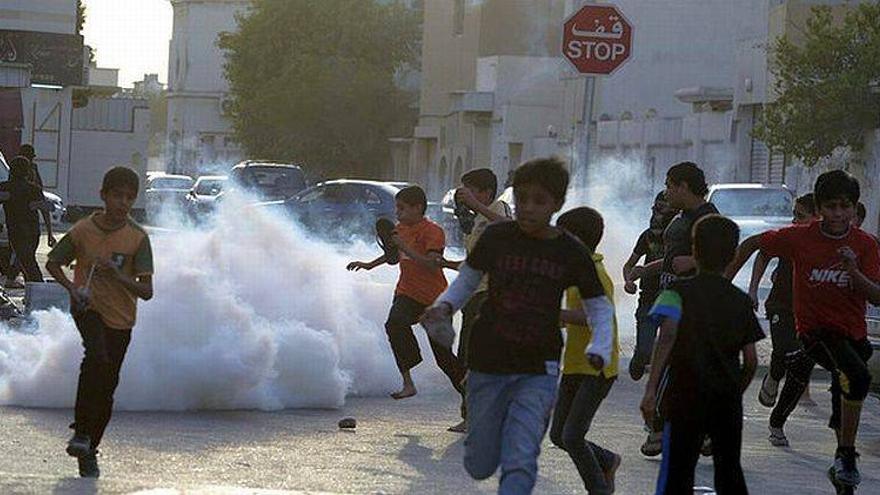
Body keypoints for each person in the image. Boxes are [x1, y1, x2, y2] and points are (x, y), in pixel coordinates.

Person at [422, 157, 615, 494]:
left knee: (521, 454)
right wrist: (444, 306)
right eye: (522, 198)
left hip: (539, 365)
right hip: (489, 357)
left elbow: (599, 308)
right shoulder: (497, 237)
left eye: (539, 201)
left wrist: (599, 345)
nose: (528, 208)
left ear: (557, 203)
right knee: (480, 462)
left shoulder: (570, 251)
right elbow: (467, 281)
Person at [726, 170, 878, 491]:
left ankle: (841, 462)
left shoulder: (865, 245)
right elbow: (753, 244)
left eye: (844, 207)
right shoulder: (800, 237)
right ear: (820, 207)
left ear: (854, 209)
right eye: (831, 207)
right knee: (857, 376)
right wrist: (722, 284)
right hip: (814, 331)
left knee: (847, 387)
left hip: (852, 334)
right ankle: (847, 454)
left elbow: (875, 295)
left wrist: (852, 270)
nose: (837, 214)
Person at [46, 166, 154, 479]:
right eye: (117, 195)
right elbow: (53, 263)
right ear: (103, 196)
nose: (122, 203)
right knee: (95, 355)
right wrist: (72, 288)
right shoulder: (82, 230)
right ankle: (81, 431)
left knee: (107, 386)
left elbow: (147, 292)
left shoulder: (138, 238)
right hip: (87, 307)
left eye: (129, 198)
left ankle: (89, 447)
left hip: (121, 320)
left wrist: (120, 276)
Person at [641, 215, 762, 494]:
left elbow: (667, 334)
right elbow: (752, 360)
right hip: (725, 401)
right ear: (733, 255)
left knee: (677, 472)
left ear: (694, 250)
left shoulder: (676, 291)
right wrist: (735, 389)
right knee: (729, 470)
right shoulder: (740, 301)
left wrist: (651, 389)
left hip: (684, 395)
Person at [347, 186, 466, 408]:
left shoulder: (433, 231)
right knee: (394, 324)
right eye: (396, 208)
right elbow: (392, 256)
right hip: (407, 293)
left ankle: (471, 401)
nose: (398, 213)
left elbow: (431, 264)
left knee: (444, 359)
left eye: (402, 208)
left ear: (417, 208)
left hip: (435, 300)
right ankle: (408, 383)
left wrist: (403, 246)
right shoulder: (400, 230)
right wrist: (368, 265)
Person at [629, 161, 719, 456]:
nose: (666, 192)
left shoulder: (707, 218)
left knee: (674, 365)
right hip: (670, 295)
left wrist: (694, 263)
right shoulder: (680, 216)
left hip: (693, 303)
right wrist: (648, 270)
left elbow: (724, 255)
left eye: (669, 185)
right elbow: (672, 257)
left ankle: (666, 428)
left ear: (683, 186)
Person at [549, 207, 622, 495]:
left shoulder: (596, 274)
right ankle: (607, 460)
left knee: (573, 435)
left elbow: (595, 318)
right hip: (575, 364)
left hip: (597, 368)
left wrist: (558, 314)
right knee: (558, 435)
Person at [441, 168, 512, 433]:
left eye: (469, 190)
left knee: (473, 357)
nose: (464, 197)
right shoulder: (473, 222)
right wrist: (446, 263)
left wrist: (476, 206)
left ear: (485, 192)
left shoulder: (498, 209)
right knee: (467, 358)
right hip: (473, 294)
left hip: (491, 294)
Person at [747, 193, 818, 447]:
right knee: (787, 351)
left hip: (813, 314)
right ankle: (774, 376)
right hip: (782, 306)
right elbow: (762, 253)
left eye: (800, 216)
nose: (794, 220)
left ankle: (777, 421)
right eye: (794, 215)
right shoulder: (790, 238)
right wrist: (753, 289)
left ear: (817, 217)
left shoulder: (832, 244)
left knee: (802, 366)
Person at [623, 192, 677, 381]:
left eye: (662, 210)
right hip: (649, 298)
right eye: (655, 209)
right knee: (644, 352)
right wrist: (629, 281)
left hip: (673, 299)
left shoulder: (680, 237)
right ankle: (640, 358)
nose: (656, 215)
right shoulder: (647, 237)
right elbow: (629, 265)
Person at [0, 156, 56, 282]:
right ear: (27, 172)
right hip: (32, 232)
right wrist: (50, 233)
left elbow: (46, 207)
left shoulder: (6, 188)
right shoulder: (34, 188)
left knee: (26, 260)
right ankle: (32, 286)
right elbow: (47, 209)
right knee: (27, 259)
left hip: (16, 231)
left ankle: (36, 286)